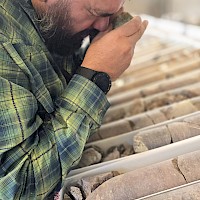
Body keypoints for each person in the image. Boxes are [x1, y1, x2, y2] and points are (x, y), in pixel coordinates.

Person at [0, 0, 148, 199]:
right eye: (95, 12)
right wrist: (94, 77)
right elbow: (17, 189)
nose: (103, 25)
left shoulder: (50, 23)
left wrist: (97, 55)